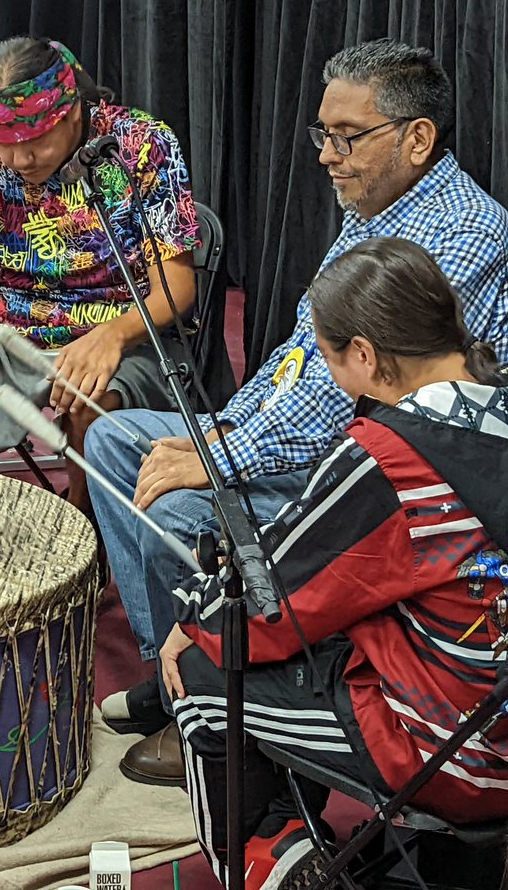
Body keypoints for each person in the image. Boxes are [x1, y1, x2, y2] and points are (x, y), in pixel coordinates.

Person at [92, 39, 508, 784]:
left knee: (187, 516)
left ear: (418, 138)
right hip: (316, 446)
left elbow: (359, 391)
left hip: (374, 472)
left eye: (348, 137)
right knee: (118, 440)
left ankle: (214, 703)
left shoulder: (466, 231)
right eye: (323, 134)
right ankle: (178, 667)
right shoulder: (374, 205)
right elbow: (297, 362)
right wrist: (222, 429)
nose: (327, 155)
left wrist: (219, 457)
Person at [162, 236, 508, 889]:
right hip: (491, 704)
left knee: (208, 671)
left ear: (366, 356)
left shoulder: (392, 456)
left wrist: (193, 619)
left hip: (463, 759)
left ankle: (264, 863)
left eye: (327, 357)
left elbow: (276, 601)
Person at [0, 35, 200, 510]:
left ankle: (85, 535)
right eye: (5, 144)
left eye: (34, 142)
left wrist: (110, 337)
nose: (20, 160)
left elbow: (177, 287)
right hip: (3, 329)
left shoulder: (141, 145)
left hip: (115, 327)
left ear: (71, 113)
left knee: (90, 400)